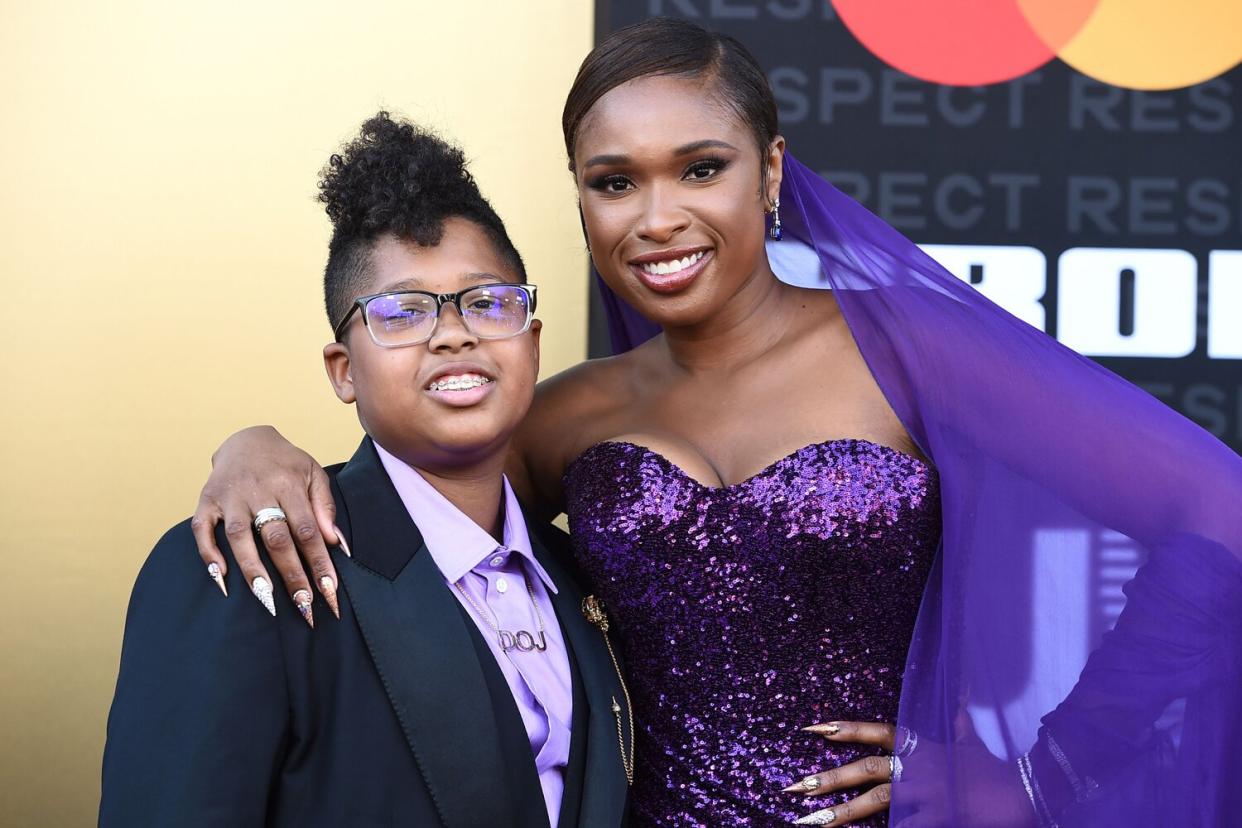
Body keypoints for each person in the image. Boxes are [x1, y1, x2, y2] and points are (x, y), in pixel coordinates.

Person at [186, 19, 1242, 828]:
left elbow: (1219, 505)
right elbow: (402, 493)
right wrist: (254, 448)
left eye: (701, 168)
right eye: (613, 183)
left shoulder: (910, 352)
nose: (656, 218)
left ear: (771, 171)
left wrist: (1040, 772)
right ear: (581, 199)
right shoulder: (566, 414)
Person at [100, 113, 631, 828]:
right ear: (344, 370)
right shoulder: (246, 565)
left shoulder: (582, 573)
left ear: (532, 342)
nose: (454, 332)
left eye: (486, 302)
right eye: (404, 312)